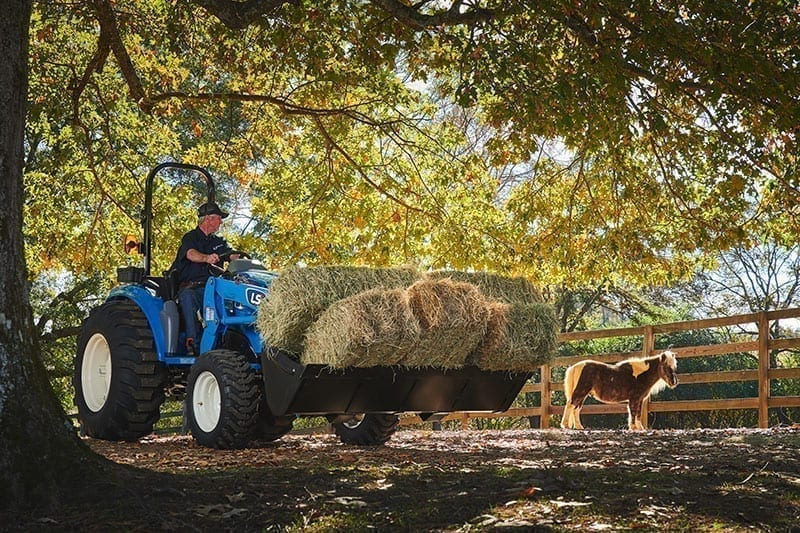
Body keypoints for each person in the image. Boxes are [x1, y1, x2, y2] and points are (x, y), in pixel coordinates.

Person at [170, 201, 238, 355]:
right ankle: (193, 343)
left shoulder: (218, 242)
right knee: (189, 296)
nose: (221, 222)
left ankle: (230, 343)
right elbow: (190, 254)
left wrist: (238, 258)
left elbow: (231, 253)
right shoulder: (190, 238)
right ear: (208, 219)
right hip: (192, 287)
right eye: (219, 218)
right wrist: (206, 258)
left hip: (214, 287)